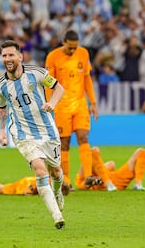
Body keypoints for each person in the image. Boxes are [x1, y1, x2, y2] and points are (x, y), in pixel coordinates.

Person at [0, 40, 66, 229]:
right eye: (4, 56)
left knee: (56, 171)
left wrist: (53, 104)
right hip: (23, 133)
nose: (7, 59)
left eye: (11, 55)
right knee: (39, 169)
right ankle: (57, 216)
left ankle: (58, 192)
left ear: (20, 56)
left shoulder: (37, 73)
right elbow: (1, 107)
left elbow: (59, 88)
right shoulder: (0, 85)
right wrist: (2, 130)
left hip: (47, 130)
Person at [45, 29, 98, 191]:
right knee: (64, 143)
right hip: (62, 106)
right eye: (70, 48)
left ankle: (88, 176)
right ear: (63, 42)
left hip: (80, 103)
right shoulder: (53, 57)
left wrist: (93, 102)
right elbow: (48, 82)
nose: (73, 51)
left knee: (83, 136)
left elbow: (87, 78)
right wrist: (49, 103)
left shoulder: (83, 53)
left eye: (75, 47)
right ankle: (66, 181)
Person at [74, 147, 145, 191]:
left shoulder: (102, 169)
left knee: (141, 152)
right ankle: (108, 183)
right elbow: (83, 181)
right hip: (109, 184)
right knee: (94, 150)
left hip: (115, 181)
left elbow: (111, 165)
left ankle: (138, 184)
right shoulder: (82, 182)